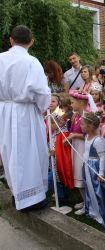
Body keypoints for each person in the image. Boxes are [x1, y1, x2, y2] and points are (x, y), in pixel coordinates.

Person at [0, 25, 51, 210]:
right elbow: (42, 92)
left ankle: (17, 194)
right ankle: (32, 199)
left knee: (10, 152)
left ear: (11, 40)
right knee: (30, 153)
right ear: (31, 41)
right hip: (25, 113)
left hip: (4, 112)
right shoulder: (31, 62)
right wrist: (42, 108)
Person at [80, 112, 105, 227]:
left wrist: (101, 173)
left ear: (90, 126)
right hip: (88, 166)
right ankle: (93, 210)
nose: (80, 126)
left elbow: (103, 157)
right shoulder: (87, 136)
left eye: (82, 124)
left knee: (98, 191)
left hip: (95, 168)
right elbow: (86, 151)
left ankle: (102, 214)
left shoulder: (98, 140)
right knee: (90, 189)